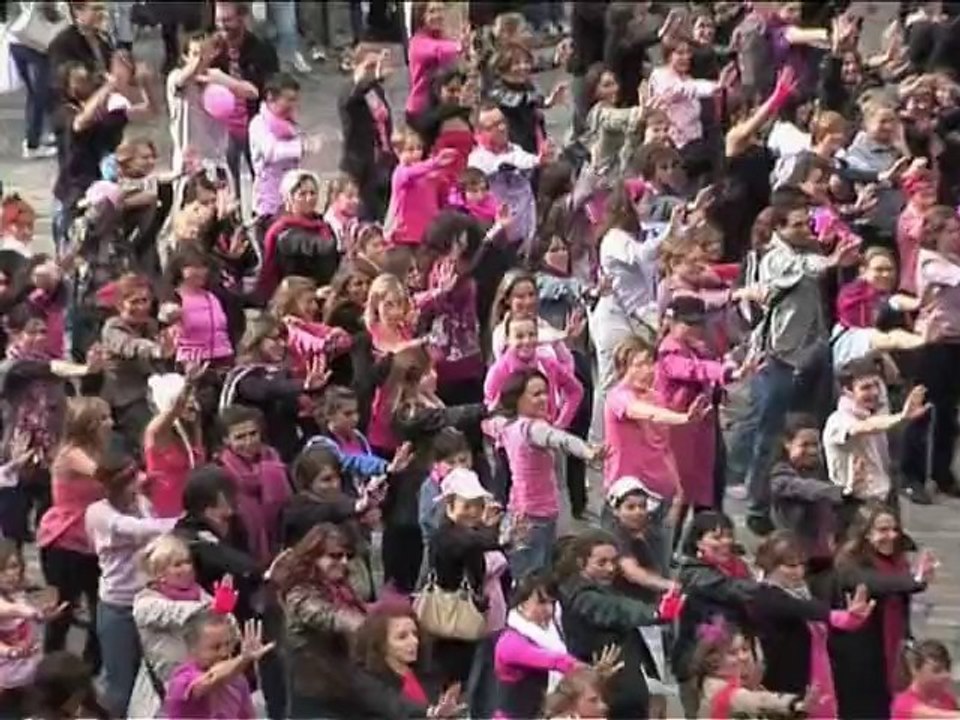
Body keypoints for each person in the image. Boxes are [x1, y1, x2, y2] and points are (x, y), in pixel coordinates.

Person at [84, 452, 177, 717]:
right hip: (118, 606)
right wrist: (182, 521)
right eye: (131, 476)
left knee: (157, 678)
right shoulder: (98, 512)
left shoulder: (143, 503)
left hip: (149, 599)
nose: (138, 479)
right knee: (120, 684)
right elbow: (137, 529)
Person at [37, 397, 112, 674]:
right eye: (103, 418)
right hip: (65, 539)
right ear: (88, 425)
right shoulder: (72, 453)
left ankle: (90, 668)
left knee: (100, 607)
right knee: (63, 609)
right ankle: (50, 670)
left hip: (95, 540)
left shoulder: (101, 450)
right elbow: (104, 475)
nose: (111, 423)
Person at [160, 612, 271, 719]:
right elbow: (209, 681)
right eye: (215, 647)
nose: (224, 652)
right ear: (192, 649)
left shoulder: (238, 680)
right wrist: (243, 659)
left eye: (228, 644)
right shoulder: (182, 679)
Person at [891, 640, 960, 719]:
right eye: (937, 670)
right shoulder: (904, 704)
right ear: (915, 670)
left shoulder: (948, 700)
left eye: (947, 669)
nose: (946, 675)